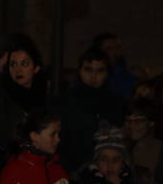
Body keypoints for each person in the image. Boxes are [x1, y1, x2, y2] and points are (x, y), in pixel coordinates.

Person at [53, 47, 125, 177]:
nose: (93, 76)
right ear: (79, 71)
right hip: (73, 171)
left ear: (107, 73)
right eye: (88, 69)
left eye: (100, 70)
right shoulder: (65, 101)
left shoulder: (116, 103)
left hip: (108, 171)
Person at [92, 32, 139, 102]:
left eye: (117, 47)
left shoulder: (130, 75)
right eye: (109, 48)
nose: (115, 52)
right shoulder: (91, 75)